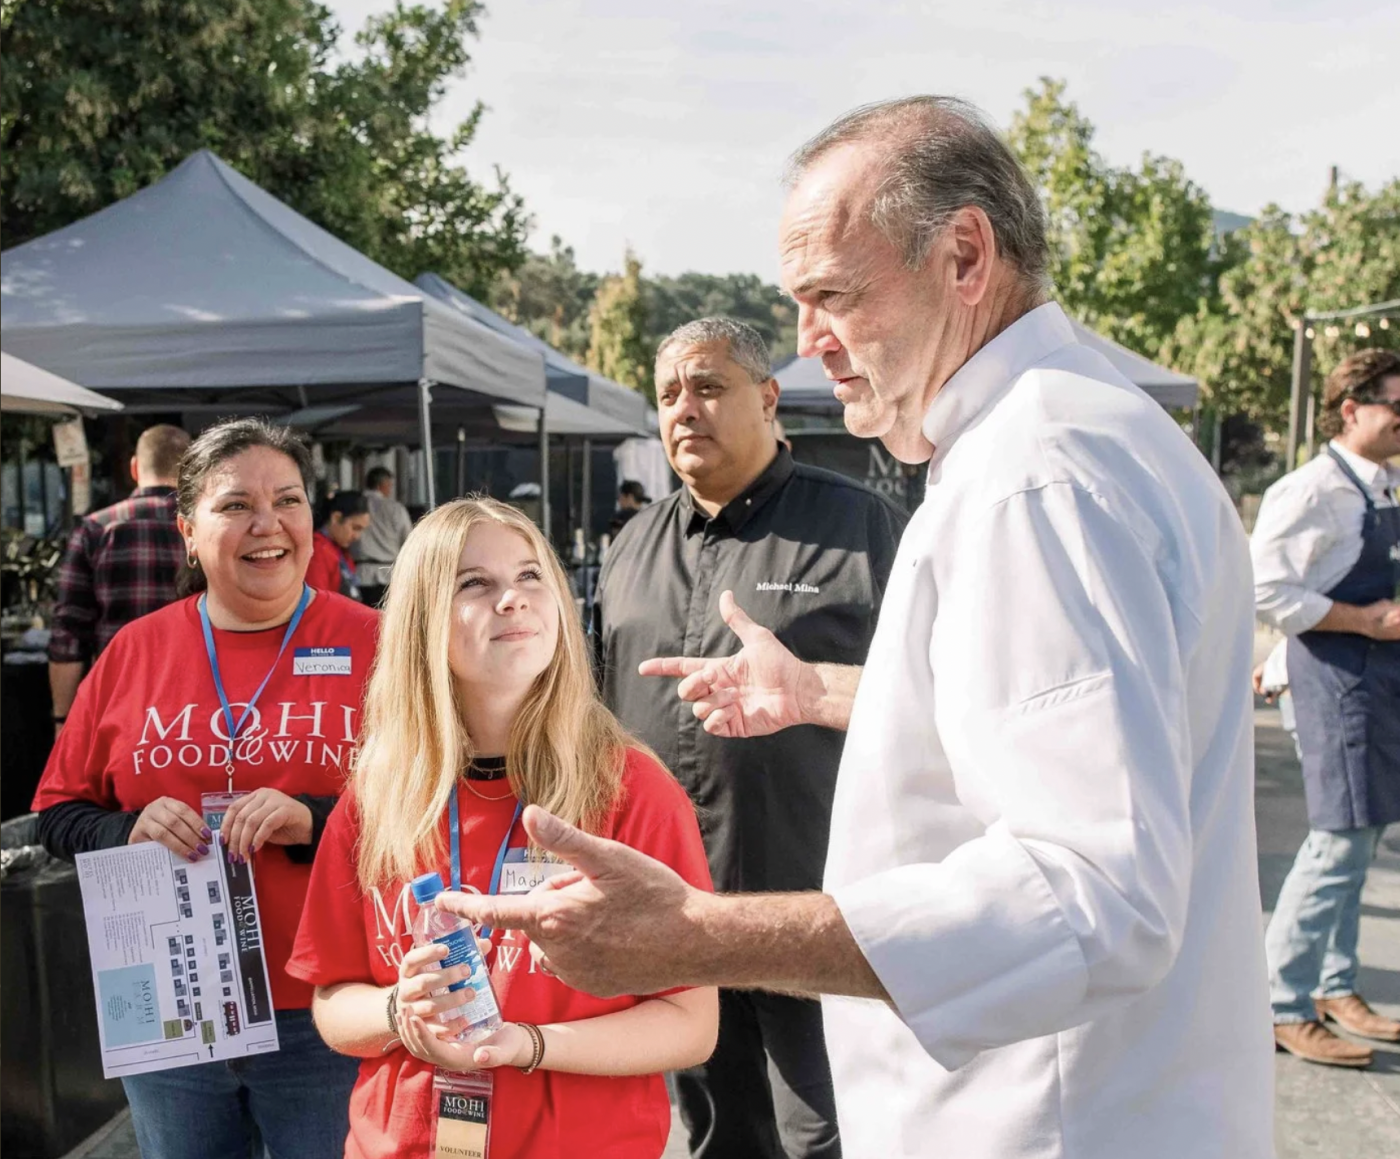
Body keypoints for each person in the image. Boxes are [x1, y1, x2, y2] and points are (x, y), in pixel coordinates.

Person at [439, 96, 1274, 1159]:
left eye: (830, 294)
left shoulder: (1036, 476)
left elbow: (1089, 898)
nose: (806, 346)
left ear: (963, 255)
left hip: (1042, 1121)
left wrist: (696, 933)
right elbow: (1056, 727)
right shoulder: (1064, 437)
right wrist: (825, 692)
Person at [287, 497, 718, 1159]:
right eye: (474, 582)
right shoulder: (376, 797)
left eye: (529, 575)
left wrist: (526, 1044)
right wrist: (402, 1009)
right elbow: (332, 1002)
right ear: (422, 622)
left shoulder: (631, 790)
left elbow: (693, 1022)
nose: (512, 599)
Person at [594, 316, 906, 1159]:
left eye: (706, 386)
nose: (684, 409)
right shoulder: (631, 546)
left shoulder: (862, 530)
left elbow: (936, 700)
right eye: (667, 395)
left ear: (768, 399)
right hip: (677, 911)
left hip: (816, 913)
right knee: (715, 1136)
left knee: (834, 1136)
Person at [32, 417, 379, 1159]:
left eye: (288, 499)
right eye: (235, 505)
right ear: (187, 529)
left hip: (329, 1008)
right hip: (172, 1007)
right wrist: (125, 827)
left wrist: (316, 819)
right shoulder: (136, 650)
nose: (268, 524)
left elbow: (442, 804)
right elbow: (55, 812)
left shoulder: (378, 643)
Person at [1250, 348, 1400, 1067]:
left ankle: (1336, 986)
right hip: (1334, 681)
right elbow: (1266, 588)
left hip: (1380, 684)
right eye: (1397, 407)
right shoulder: (1309, 492)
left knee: (1362, 835)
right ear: (1352, 410)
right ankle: (1279, 1001)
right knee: (1339, 839)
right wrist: (1366, 621)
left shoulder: (1387, 487)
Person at [48, 423, 190, 736]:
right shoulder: (209, 528)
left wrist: (63, 720)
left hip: (116, 698)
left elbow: (69, 635)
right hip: (196, 696)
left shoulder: (95, 528)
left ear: (135, 468)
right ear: (190, 469)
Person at [355, 466, 414, 607]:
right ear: (382, 485)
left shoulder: (356, 505)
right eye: (390, 485)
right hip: (388, 575)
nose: (390, 489)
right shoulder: (395, 509)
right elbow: (409, 541)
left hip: (359, 574)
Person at [307, 491, 372, 600]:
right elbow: (317, 602)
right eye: (355, 528)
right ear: (336, 518)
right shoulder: (317, 551)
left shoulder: (340, 550)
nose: (357, 536)